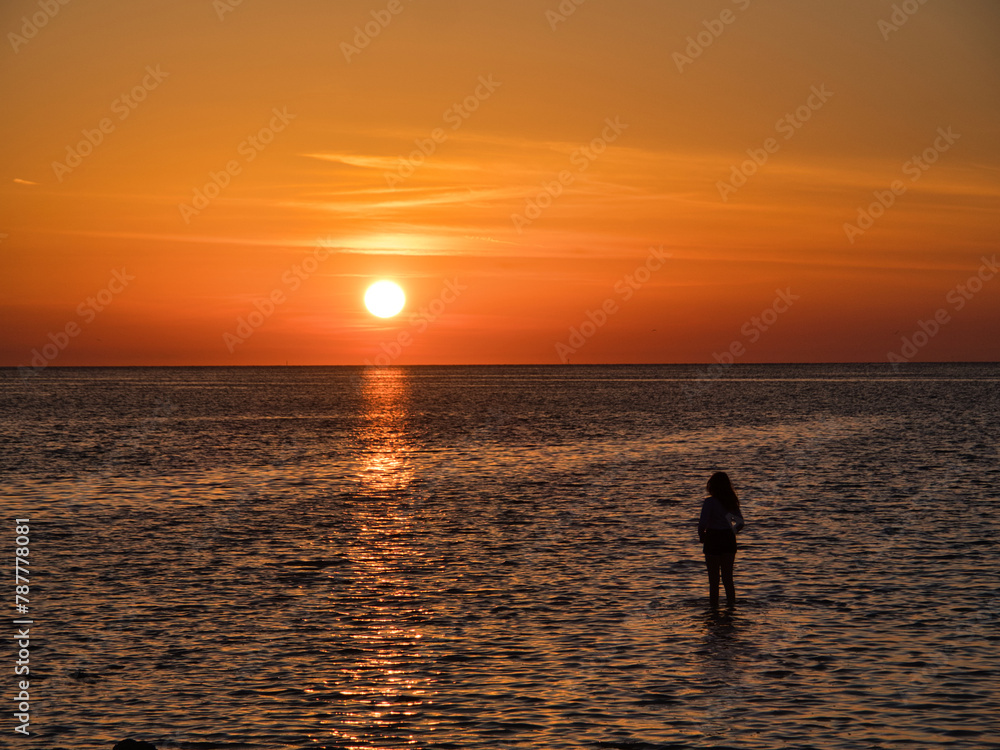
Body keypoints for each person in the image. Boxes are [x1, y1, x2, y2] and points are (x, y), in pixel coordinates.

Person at [698, 471, 745, 607]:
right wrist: (731, 532)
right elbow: (740, 522)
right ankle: (731, 607)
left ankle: (714, 608)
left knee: (714, 580)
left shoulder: (710, 502)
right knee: (728, 578)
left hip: (713, 537)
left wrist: (702, 536)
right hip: (728, 538)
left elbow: (703, 523)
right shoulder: (730, 502)